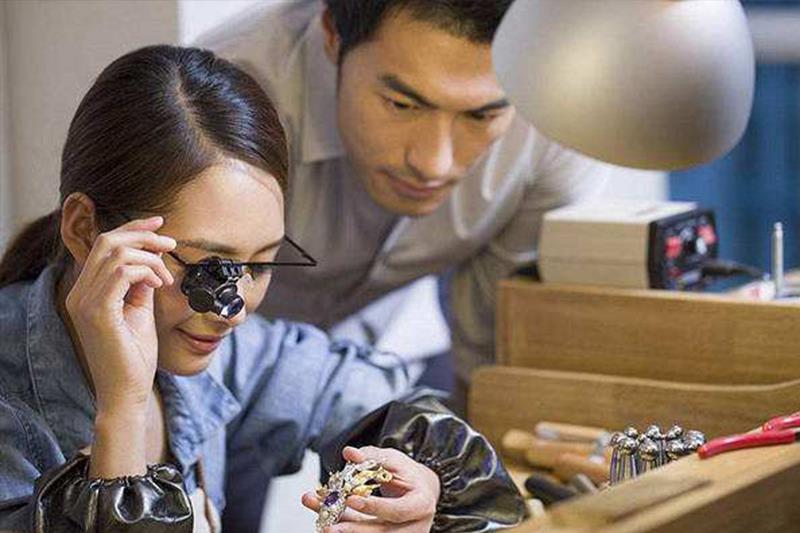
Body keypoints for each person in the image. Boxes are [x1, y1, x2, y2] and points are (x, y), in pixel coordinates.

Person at [0, 45, 524, 533]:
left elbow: (379, 398)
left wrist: (421, 478)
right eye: (210, 270)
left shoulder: (217, 349)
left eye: (261, 264)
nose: (234, 311)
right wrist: (122, 411)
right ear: (85, 231)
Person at [200, 0, 631, 407]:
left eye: (481, 116)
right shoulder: (216, 107)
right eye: (402, 104)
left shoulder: (555, 122)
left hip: (396, 342)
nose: (432, 165)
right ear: (332, 34)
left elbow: (493, 353)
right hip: (220, 343)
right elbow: (177, 327)